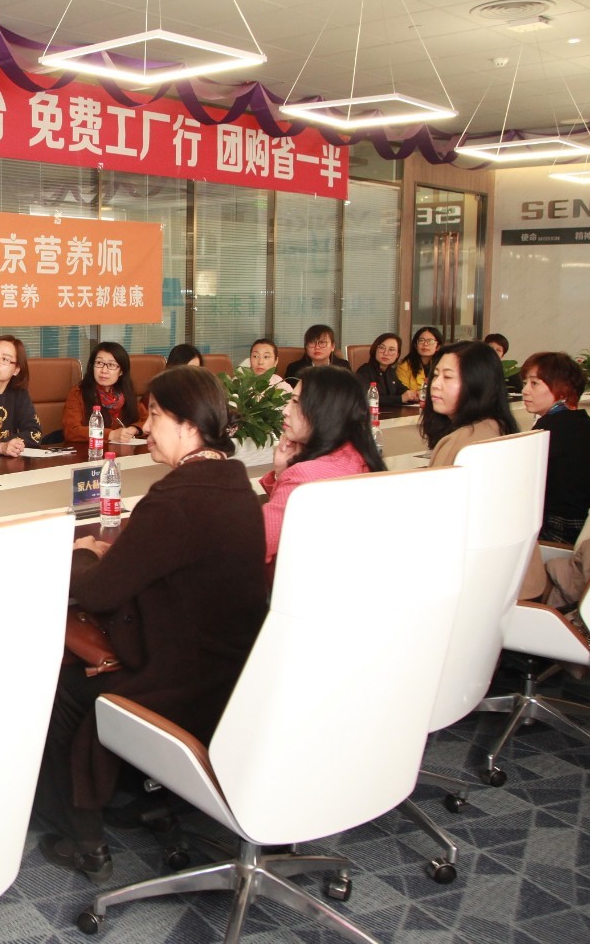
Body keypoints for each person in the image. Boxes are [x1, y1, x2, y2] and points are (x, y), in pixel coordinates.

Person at [35, 366, 268, 882]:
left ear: (189, 426)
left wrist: (84, 553)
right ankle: (133, 794)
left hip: (176, 680)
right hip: (225, 674)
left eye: (156, 415)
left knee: (67, 686)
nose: (145, 427)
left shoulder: (178, 499)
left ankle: (82, 838)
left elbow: (100, 591)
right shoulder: (235, 484)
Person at [259, 367, 385, 566]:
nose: (285, 411)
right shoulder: (359, 457)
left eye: (295, 402)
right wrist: (282, 472)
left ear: (324, 411)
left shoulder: (304, 477)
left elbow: (254, 542)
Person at [520, 352, 590, 544]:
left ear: (563, 389)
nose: (525, 390)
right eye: (525, 383)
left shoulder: (550, 428)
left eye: (534, 383)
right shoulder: (584, 423)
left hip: (562, 531)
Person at [423, 341, 519, 467]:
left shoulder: (461, 441)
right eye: (435, 375)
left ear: (477, 384)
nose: (435, 384)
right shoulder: (497, 426)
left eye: (447, 376)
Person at [62, 342, 147, 444]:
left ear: (121, 371)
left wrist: (133, 429)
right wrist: (111, 434)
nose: (104, 370)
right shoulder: (78, 393)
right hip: (91, 451)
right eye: (99, 363)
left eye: (111, 365)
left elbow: (149, 420)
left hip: (122, 450)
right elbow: (71, 431)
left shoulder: (125, 393)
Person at [354, 332, 407, 409]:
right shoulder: (364, 371)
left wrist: (413, 394)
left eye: (391, 350)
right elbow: (367, 399)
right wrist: (400, 399)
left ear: (397, 355)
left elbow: (400, 388)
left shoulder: (390, 371)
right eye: (382, 348)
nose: (386, 353)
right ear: (375, 349)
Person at [282, 324, 351, 380]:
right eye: (312, 342)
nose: (317, 347)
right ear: (306, 346)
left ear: (332, 346)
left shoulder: (343, 366)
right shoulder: (294, 368)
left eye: (322, 342)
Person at [396, 326, 442, 404]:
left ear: (437, 347)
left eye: (430, 341)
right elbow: (402, 391)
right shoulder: (405, 366)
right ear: (415, 345)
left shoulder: (442, 365)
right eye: (421, 340)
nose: (425, 344)